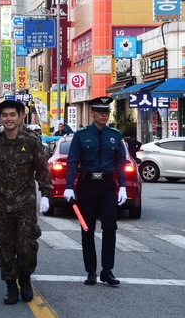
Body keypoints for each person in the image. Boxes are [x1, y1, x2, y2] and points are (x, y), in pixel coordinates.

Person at [0, 100, 52, 305]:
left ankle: (26, 280)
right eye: (5, 115)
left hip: (25, 205)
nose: (9, 118)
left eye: (13, 114)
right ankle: (11, 287)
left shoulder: (31, 141)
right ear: (0, 117)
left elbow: (42, 168)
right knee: (6, 248)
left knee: (27, 246)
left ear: (21, 116)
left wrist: (46, 194)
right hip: (1, 204)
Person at [64, 96, 127, 287]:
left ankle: (107, 270)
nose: (104, 115)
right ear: (92, 113)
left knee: (110, 227)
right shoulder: (81, 135)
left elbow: (120, 162)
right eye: (100, 112)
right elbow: (73, 161)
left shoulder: (115, 135)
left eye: (107, 112)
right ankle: (90, 271)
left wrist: (122, 185)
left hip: (107, 186)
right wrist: (68, 187)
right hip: (87, 186)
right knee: (87, 228)